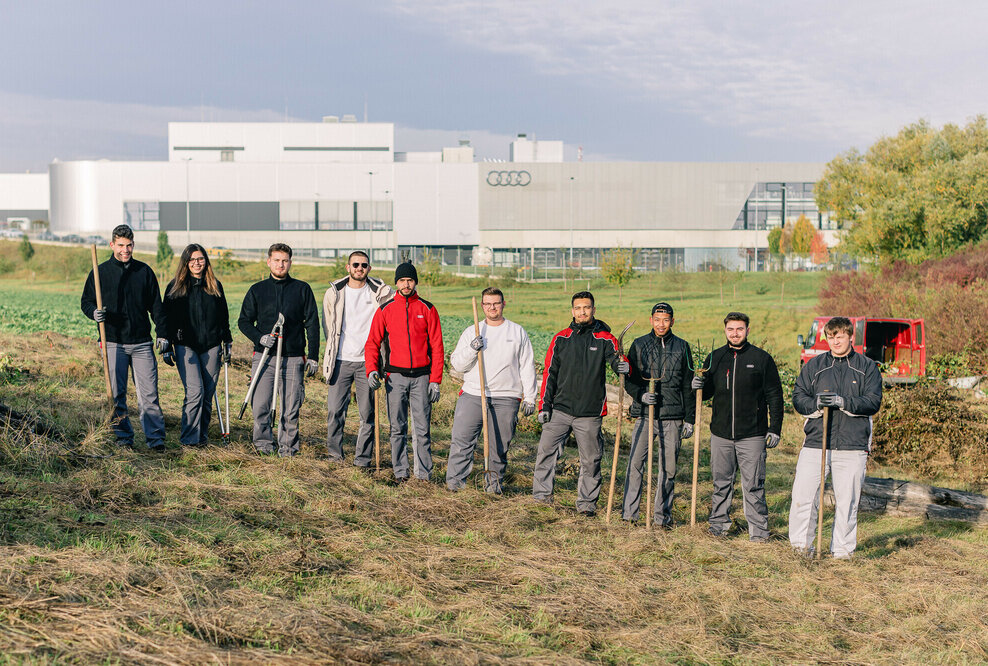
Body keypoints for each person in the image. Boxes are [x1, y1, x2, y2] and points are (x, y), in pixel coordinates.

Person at [789, 316, 882, 559]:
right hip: (816, 443)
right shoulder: (815, 365)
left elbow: (873, 401)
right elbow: (798, 397)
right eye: (831, 337)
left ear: (851, 337)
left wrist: (844, 402)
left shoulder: (866, 367)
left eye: (840, 336)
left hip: (852, 445)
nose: (835, 341)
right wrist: (816, 404)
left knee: (848, 501)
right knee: (803, 498)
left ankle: (842, 552)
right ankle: (801, 549)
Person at [532, 291, 629, 516]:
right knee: (546, 453)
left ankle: (586, 505)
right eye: (578, 308)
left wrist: (623, 366)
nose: (582, 311)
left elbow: (617, 361)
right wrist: (544, 406)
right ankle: (541, 497)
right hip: (560, 410)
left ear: (594, 310)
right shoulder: (561, 339)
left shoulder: (605, 339)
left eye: (586, 307)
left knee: (591, 461)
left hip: (590, 412)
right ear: (572, 311)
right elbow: (550, 373)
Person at [693, 312, 783, 541]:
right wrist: (698, 386)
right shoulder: (715, 358)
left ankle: (759, 533)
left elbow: (775, 395)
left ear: (747, 331)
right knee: (721, 483)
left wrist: (775, 428)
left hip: (752, 434)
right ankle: (718, 527)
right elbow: (707, 394)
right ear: (725, 331)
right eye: (731, 329)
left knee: (753, 485)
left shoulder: (761, 359)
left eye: (739, 329)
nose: (735, 333)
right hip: (721, 434)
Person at [80, 224, 168, 450]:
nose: (125, 250)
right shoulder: (100, 273)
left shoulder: (144, 272)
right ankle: (123, 438)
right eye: (121, 245)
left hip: (141, 343)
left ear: (133, 245)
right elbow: (86, 302)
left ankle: (156, 439)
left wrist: (162, 333)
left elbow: (156, 307)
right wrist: (94, 313)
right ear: (112, 245)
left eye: (129, 245)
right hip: (113, 342)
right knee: (117, 394)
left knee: (149, 394)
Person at [447, 287, 537, 493]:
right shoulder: (474, 331)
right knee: (462, 441)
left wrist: (530, 397)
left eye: (496, 303)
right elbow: (457, 365)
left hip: (506, 397)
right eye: (487, 304)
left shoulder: (516, 332)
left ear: (503, 304)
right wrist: (472, 348)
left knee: (499, 446)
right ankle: (455, 485)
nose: (492, 307)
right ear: (482, 306)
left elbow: (527, 365)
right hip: (473, 394)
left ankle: (493, 486)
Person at [364, 262, 444, 482]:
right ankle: (401, 472)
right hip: (394, 378)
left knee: (422, 429)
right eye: (402, 281)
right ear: (396, 283)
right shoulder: (385, 310)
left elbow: (437, 346)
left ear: (415, 282)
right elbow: (372, 343)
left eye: (410, 280)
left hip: (421, 377)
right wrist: (372, 370)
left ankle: (423, 475)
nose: (406, 284)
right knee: (397, 428)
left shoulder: (427, 309)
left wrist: (435, 380)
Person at [238, 243, 319, 456]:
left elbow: (312, 323)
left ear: (290, 262)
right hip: (264, 358)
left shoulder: (302, 289)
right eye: (276, 260)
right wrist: (259, 338)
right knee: (261, 405)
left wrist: (312, 356)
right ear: (269, 262)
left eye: (284, 261)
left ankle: (288, 450)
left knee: (290, 408)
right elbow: (243, 321)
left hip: (293, 358)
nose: (280, 264)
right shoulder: (257, 290)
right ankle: (263, 446)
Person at [623, 302, 695, 527]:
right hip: (645, 416)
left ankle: (662, 518)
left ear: (672, 321)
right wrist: (641, 395)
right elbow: (630, 380)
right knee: (635, 464)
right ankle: (629, 515)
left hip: (672, 417)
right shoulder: (639, 345)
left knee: (668, 468)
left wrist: (690, 419)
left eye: (666, 319)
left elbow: (687, 385)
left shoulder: (682, 347)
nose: (661, 324)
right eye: (657, 319)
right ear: (651, 320)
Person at [321, 251, 394, 468]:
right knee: (335, 410)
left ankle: (362, 459)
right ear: (348, 267)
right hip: (341, 360)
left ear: (369, 268)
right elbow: (328, 325)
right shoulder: (334, 293)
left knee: (367, 414)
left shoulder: (380, 293)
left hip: (367, 362)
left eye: (364, 265)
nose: (359, 268)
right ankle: (335, 455)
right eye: (355, 264)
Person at [163, 244, 233, 447]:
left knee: (207, 395)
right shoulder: (175, 287)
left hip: (211, 346)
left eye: (200, 259)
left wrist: (227, 341)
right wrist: (167, 345)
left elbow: (224, 317)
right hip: (186, 345)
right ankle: (189, 440)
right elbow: (166, 319)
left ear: (206, 261)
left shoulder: (215, 286)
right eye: (192, 259)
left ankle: (201, 438)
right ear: (186, 262)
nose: (196, 263)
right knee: (195, 392)